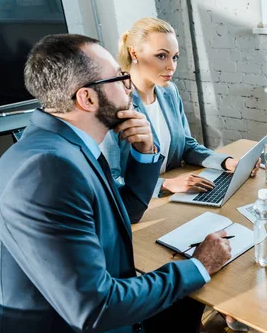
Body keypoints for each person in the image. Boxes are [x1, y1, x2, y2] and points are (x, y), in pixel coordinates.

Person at [0, 34, 267, 333]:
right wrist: (200, 265)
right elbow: (94, 309)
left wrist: (145, 154)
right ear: (87, 98)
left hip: (94, 325)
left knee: (187, 302)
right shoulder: (47, 173)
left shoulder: (63, 147)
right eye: (118, 77)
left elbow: (124, 215)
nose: (128, 85)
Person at [100, 17, 257, 200]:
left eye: (174, 57)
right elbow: (109, 179)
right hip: (138, 202)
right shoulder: (113, 103)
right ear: (134, 53)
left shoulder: (169, 92)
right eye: (161, 56)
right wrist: (166, 184)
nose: (171, 66)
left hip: (174, 195)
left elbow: (186, 146)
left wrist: (227, 162)